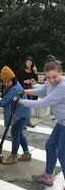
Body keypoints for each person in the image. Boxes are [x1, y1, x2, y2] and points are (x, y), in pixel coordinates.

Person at [18, 61, 65, 189]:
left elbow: (43, 103)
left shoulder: (62, 86)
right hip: (61, 123)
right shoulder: (49, 82)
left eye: (54, 77)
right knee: (50, 145)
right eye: (48, 77)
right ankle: (48, 176)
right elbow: (41, 90)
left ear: (60, 72)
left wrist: (21, 101)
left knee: (62, 153)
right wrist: (23, 91)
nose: (51, 80)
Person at [0, 66, 31, 164]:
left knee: (15, 133)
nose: (6, 84)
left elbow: (3, 102)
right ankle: (26, 154)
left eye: (8, 81)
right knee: (19, 133)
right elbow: (5, 94)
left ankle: (13, 156)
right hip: (22, 113)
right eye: (4, 82)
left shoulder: (15, 89)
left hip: (21, 114)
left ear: (13, 80)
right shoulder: (12, 86)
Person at [17, 56, 38, 128]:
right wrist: (24, 81)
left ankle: (28, 121)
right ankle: (21, 122)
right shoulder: (22, 70)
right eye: (27, 63)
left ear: (32, 63)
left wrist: (35, 72)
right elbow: (17, 80)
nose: (28, 64)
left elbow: (36, 79)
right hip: (22, 88)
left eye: (30, 63)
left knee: (29, 105)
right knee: (22, 105)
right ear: (25, 62)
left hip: (29, 88)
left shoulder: (32, 70)